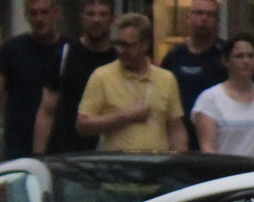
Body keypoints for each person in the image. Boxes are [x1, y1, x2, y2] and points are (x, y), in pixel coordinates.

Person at [0, 0, 65, 167]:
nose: (39, 19)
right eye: (34, 13)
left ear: (56, 13)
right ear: (26, 16)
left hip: (65, 149)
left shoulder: (71, 50)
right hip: (19, 150)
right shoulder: (10, 51)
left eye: (44, 12)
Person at [75, 13, 186, 154]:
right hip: (118, 168)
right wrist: (125, 117)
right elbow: (83, 125)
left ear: (145, 44)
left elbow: (175, 127)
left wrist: (179, 158)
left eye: (128, 45)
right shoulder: (102, 76)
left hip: (157, 168)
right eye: (118, 44)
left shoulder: (166, 79)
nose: (121, 51)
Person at [36, 0, 119, 153]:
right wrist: (39, 156)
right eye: (91, 14)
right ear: (81, 17)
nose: (96, 20)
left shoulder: (119, 59)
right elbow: (47, 111)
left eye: (103, 14)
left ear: (112, 19)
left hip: (109, 155)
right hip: (67, 155)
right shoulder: (64, 56)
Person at [192, 35, 254, 158]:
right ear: (225, 61)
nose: (246, 61)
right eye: (239, 56)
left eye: (251, 56)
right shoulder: (209, 99)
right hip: (227, 174)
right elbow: (208, 149)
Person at [161, 0, 228, 145]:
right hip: (180, 140)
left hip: (219, 139)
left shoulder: (227, 56)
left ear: (217, 21)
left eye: (210, 14)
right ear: (188, 19)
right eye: (198, 13)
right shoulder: (174, 56)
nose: (204, 19)